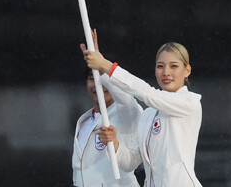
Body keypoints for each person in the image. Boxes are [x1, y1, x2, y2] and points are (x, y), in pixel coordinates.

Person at [81, 32, 203, 187]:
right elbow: (130, 161)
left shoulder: (190, 102)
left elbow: (147, 93)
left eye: (174, 66)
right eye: (160, 66)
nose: (166, 72)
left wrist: (106, 66)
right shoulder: (149, 114)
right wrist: (113, 142)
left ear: (187, 70)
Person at [72, 51, 143, 187]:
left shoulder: (126, 113)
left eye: (103, 78)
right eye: (92, 78)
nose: (98, 85)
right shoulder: (84, 121)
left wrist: (103, 66)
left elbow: (127, 100)